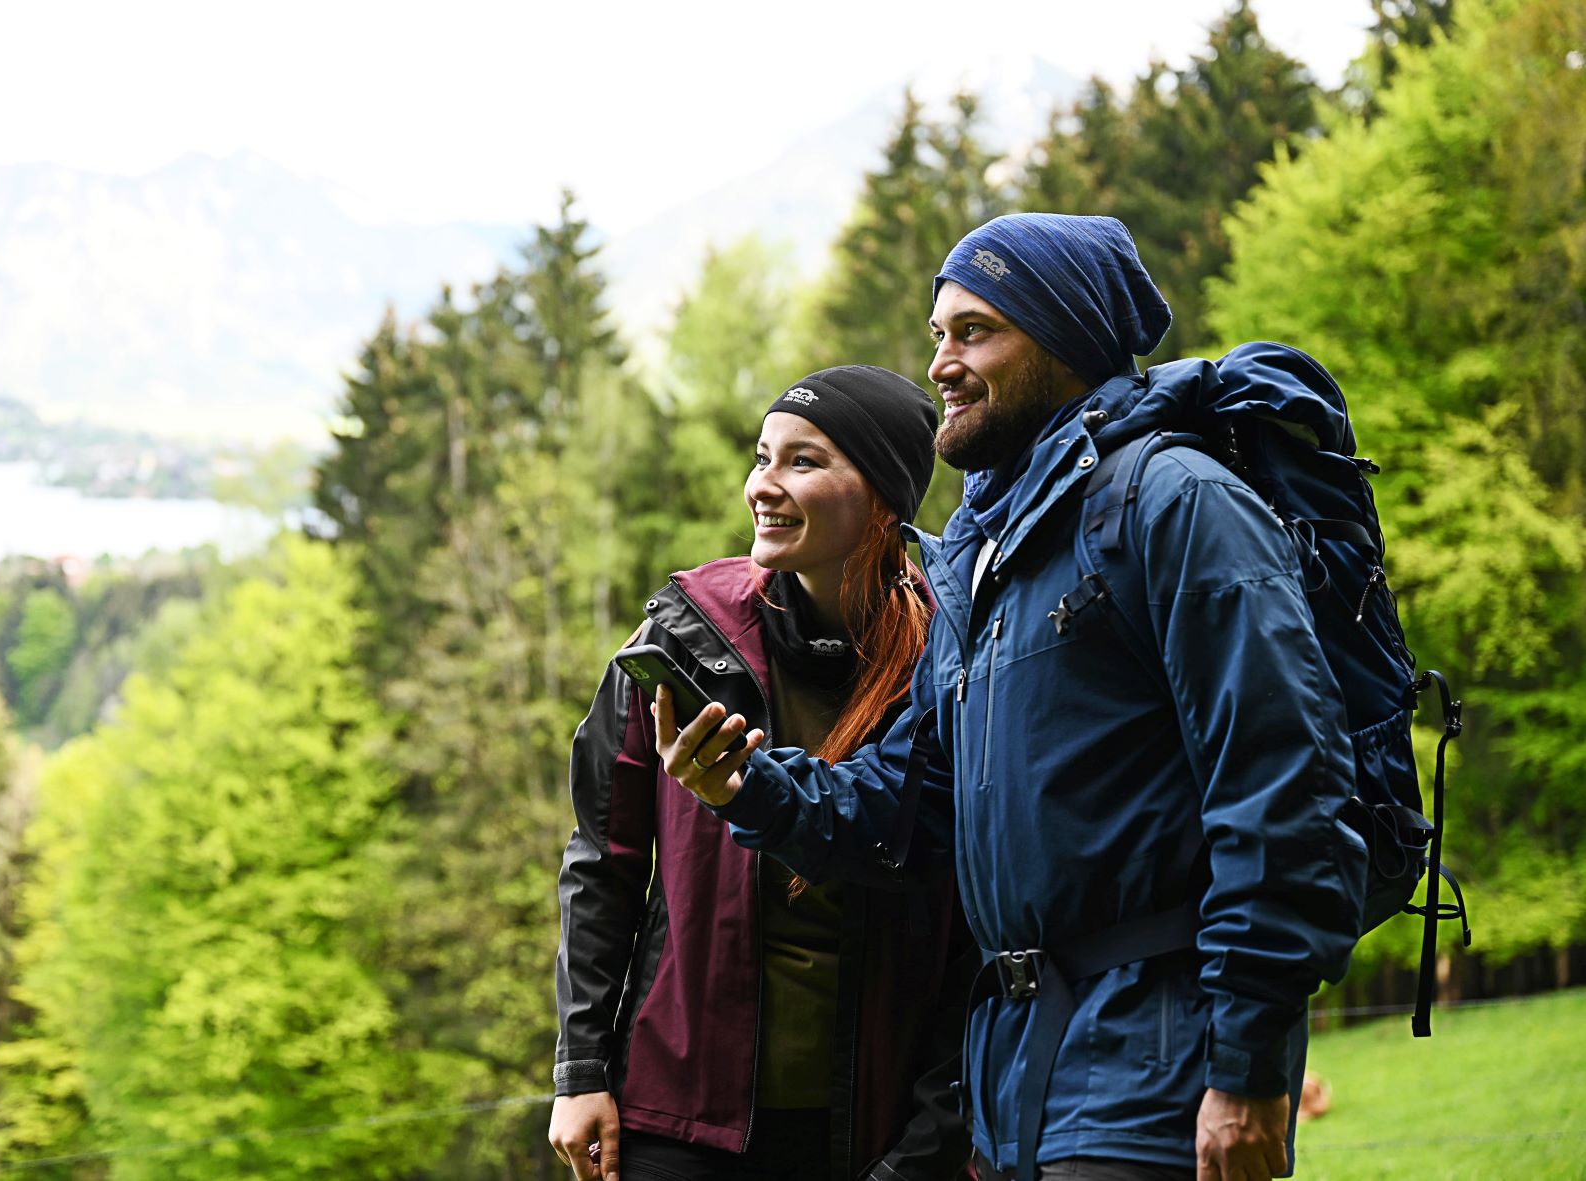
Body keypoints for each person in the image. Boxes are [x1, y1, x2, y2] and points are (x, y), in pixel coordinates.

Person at [654, 214, 1368, 1181]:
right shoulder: (986, 561)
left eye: (976, 331)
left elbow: (1283, 787)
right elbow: (913, 805)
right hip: (1014, 1083)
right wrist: (749, 787)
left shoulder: (1175, 502)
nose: (941, 363)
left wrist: (1244, 1064)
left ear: (1065, 342)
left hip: (1152, 1071)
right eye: (938, 333)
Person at [549, 365, 974, 1181]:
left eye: (802, 461)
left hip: (869, 1124)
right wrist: (580, 1072)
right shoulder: (682, 636)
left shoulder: (952, 662)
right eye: (761, 456)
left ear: (882, 495)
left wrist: (934, 1133)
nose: (762, 486)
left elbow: (974, 922)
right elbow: (602, 864)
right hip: (679, 1116)